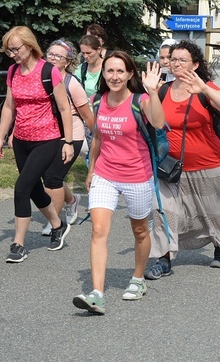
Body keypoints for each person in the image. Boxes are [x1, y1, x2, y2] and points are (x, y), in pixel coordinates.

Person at [73, 53, 164, 315]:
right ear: (103, 74)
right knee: (98, 231)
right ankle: (97, 294)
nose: (114, 76)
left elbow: (158, 123)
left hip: (137, 176)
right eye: (110, 71)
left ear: (129, 75)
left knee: (139, 231)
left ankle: (138, 278)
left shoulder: (141, 100)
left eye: (120, 71)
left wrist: (154, 92)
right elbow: (98, 137)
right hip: (105, 174)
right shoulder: (98, 101)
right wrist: (91, 170)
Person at [147, 40, 220, 277]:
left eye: (182, 60)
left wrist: (206, 90)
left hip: (206, 164)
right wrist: (150, 92)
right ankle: (163, 259)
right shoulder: (162, 90)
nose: (175, 64)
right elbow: (151, 121)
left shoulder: (204, 88)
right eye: (172, 59)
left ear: (195, 64)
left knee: (215, 210)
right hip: (169, 167)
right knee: (163, 212)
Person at [0, 26, 74, 263]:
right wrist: (0, 136)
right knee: (35, 189)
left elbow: (64, 108)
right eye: (9, 50)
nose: (12, 54)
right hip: (21, 140)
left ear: (29, 45)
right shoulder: (13, 72)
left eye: (15, 49)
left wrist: (68, 141)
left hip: (47, 140)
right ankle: (58, 225)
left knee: (21, 188)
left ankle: (18, 244)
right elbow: (9, 106)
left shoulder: (49, 71)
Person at [40, 39, 95, 235]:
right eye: (50, 54)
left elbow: (87, 116)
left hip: (73, 135)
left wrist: (96, 140)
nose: (52, 58)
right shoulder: (43, 77)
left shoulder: (72, 84)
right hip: (49, 134)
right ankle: (71, 201)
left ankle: (54, 221)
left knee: (52, 177)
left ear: (67, 62)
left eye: (58, 56)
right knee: (49, 175)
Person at [78, 34, 105, 99]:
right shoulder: (80, 69)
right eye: (83, 53)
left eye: (89, 53)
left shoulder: (109, 67)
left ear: (99, 49)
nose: (85, 56)